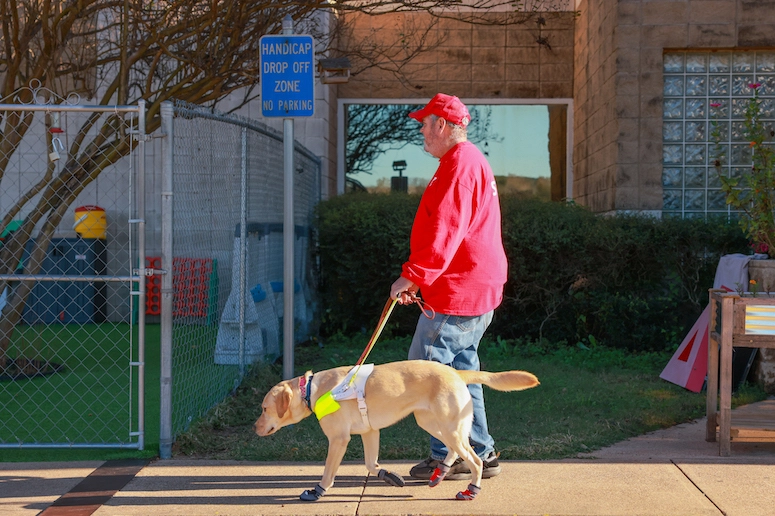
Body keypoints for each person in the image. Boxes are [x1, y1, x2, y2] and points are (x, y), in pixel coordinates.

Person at [390, 93, 508, 481]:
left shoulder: (458, 165)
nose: (422, 131)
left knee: (426, 373)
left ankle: (450, 456)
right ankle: (480, 452)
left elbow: (446, 230)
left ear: (442, 124)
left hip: (459, 292)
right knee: (459, 373)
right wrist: (422, 278)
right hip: (472, 289)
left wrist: (413, 275)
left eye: (425, 124)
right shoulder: (466, 161)